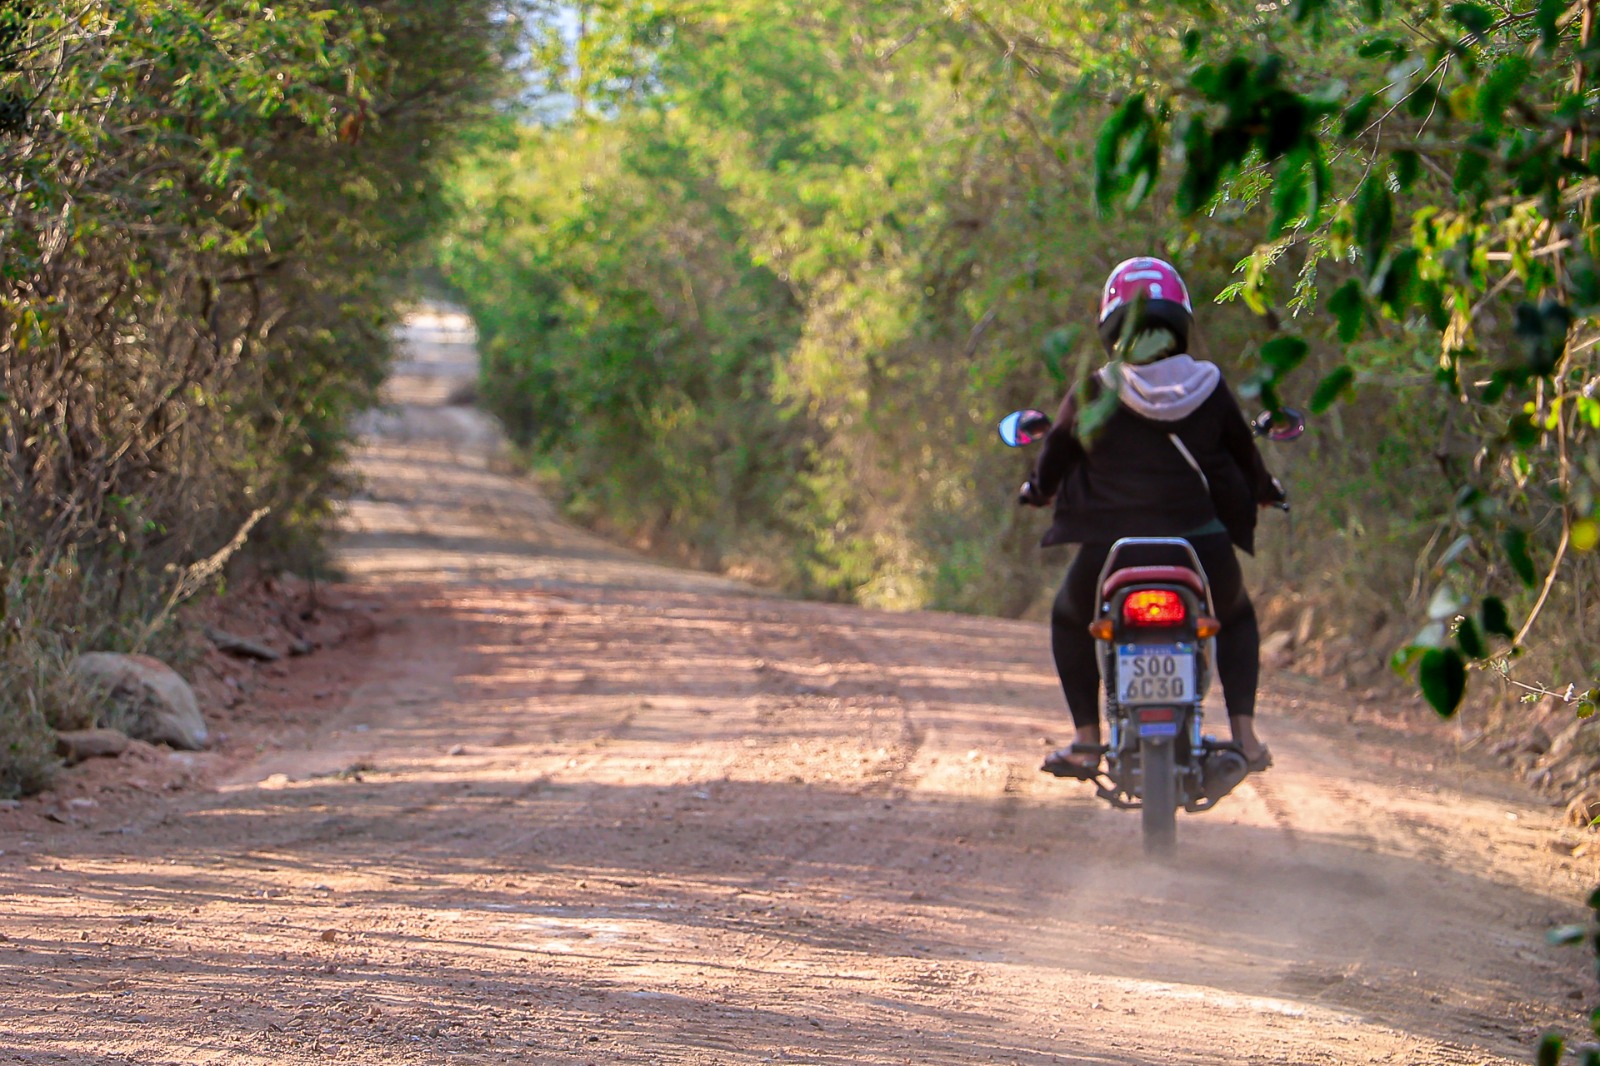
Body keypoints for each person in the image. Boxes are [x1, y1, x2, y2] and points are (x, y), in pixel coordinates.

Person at [1018, 257, 1285, 778]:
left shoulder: (1094, 390)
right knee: (1236, 617)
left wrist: (1037, 490)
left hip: (1110, 550)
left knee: (1070, 616)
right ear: (1179, 322)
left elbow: (1055, 455)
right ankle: (1247, 740)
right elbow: (1245, 459)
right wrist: (1266, 492)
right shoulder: (1210, 385)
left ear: (1112, 328)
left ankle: (1086, 742)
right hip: (1200, 544)